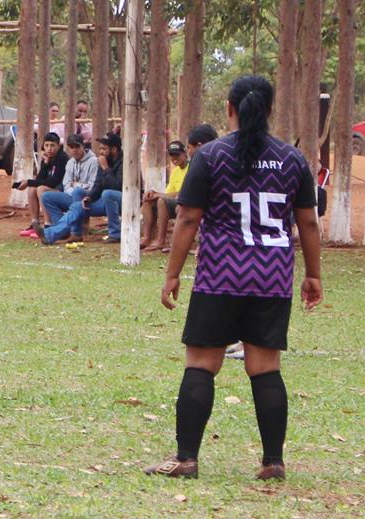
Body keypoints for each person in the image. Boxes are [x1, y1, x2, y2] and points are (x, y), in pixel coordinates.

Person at [145, 75, 322, 480]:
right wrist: (313, 274)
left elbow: (188, 217)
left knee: (202, 363)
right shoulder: (292, 160)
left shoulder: (211, 156)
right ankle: (273, 463)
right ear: (270, 109)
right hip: (272, 277)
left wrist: (172, 273)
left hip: (219, 276)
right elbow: (308, 223)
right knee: (265, 367)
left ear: (230, 109)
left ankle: (186, 459)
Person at [33, 132, 122, 244]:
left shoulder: (122, 162)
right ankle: (52, 234)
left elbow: (117, 186)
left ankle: (115, 234)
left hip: (124, 201)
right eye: (71, 147)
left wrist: (105, 168)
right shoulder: (101, 161)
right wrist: (89, 198)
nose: (101, 152)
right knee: (76, 205)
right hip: (102, 200)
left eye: (104, 149)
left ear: (114, 149)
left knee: (108, 193)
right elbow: (98, 185)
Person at [140, 140, 190, 252]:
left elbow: (182, 193)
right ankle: (147, 238)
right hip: (174, 202)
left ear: (185, 153)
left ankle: (161, 240)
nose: (174, 158)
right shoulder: (176, 171)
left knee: (162, 201)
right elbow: (169, 192)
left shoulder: (191, 169)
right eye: (172, 155)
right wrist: (154, 193)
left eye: (177, 155)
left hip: (186, 202)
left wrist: (159, 195)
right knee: (148, 200)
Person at [18, 132, 70, 237]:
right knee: (33, 188)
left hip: (62, 191)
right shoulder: (47, 158)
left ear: (58, 146)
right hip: (52, 189)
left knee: (41, 189)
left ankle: (48, 226)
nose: (49, 149)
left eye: (52, 145)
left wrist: (28, 182)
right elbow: (40, 179)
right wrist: (45, 164)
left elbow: (54, 181)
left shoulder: (62, 158)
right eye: (46, 145)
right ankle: (35, 224)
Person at [39, 134, 97, 225]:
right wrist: (75, 189)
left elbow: (92, 186)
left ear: (83, 146)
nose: (74, 150)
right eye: (71, 147)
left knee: (78, 192)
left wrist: (76, 185)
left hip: (87, 198)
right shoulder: (70, 162)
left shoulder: (93, 161)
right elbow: (66, 185)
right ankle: (60, 226)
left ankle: (61, 228)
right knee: (46, 197)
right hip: (70, 196)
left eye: (77, 146)